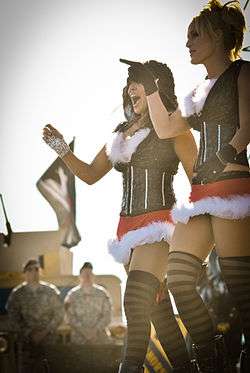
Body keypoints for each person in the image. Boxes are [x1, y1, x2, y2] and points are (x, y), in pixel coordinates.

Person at [42, 59, 197, 372]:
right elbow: (88, 173)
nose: (131, 87)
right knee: (160, 314)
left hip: (158, 226)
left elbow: (199, 180)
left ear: (156, 85)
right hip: (126, 229)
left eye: (137, 79)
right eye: (129, 82)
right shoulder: (121, 135)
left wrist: (196, 241)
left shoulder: (172, 127)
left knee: (134, 302)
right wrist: (61, 148)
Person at [120, 1, 250, 372]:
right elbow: (166, 127)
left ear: (219, 36)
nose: (189, 42)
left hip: (233, 187)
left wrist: (224, 152)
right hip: (202, 195)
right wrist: (153, 87)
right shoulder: (199, 90)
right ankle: (209, 361)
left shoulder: (243, 73)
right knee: (178, 279)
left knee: (241, 288)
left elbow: (249, 123)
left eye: (195, 35)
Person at [6, 258, 64, 373]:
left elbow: (59, 313)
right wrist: (30, 333)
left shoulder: (50, 291)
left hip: (48, 340)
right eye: (29, 270)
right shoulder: (17, 294)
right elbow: (13, 317)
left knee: (50, 368)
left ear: (40, 272)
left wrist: (45, 332)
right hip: (26, 342)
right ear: (24, 273)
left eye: (36, 269)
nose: (34, 272)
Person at [64, 261, 112, 345]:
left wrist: (95, 330)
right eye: (85, 274)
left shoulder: (102, 293)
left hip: (100, 339)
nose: (87, 276)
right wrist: (83, 331)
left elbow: (108, 315)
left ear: (93, 276)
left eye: (90, 273)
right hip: (79, 340)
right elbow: (69, 316)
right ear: (80, 276)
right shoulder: (72, 295)